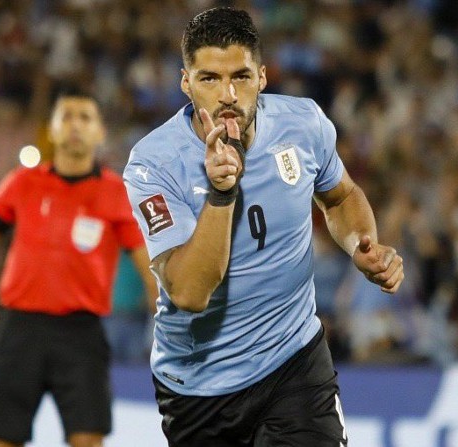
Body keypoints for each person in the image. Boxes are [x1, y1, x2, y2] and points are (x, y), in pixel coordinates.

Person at [123, 7, 405, 446]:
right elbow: (189, 293)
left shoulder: (304, 123)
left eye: (241, 75)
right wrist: (221, 194)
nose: (228, 94)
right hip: (200, 386)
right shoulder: (153, 164)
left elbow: (342, 196)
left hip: (294, 361)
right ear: (186, 83)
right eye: (209, 79)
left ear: (263, 77)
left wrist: (360, 245)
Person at [0, 87, 157, 447]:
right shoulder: (23, 181)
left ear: (100, 132)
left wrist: (169, 315)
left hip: (81, 333)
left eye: (85, 117)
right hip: (20, 328)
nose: (75, 125)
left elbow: (148, 263)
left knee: (88, 440)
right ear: (54, 130)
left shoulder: (115, 192)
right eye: (67, 117)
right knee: (1, 439)